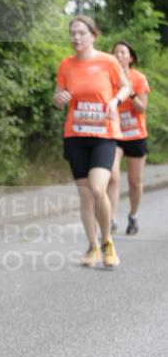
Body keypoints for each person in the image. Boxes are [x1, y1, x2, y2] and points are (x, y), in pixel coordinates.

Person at [53, 16, 129, 269]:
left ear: (93, 35)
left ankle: (107, 241)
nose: (76, 38)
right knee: (86, 195)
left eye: (81, 33)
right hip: (76, 135)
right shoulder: (66, 64)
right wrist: (59, 98)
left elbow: (125, 88)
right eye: (72, 33)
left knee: (98, 189)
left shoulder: (108, 61)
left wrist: (114, 101)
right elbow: (57, 95)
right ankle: (92, 246)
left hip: (104, 135)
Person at [107, 41, 150, 236]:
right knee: (113, 174)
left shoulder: (139, 78)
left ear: (130, 57)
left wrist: (130, 93)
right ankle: (111, 218)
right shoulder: (108, 78)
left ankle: (133, 216)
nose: (119, 56)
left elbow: (141, 108)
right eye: (116, 53)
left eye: (123, 53)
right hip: (115, 134)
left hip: (135, 135)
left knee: (134, 181)